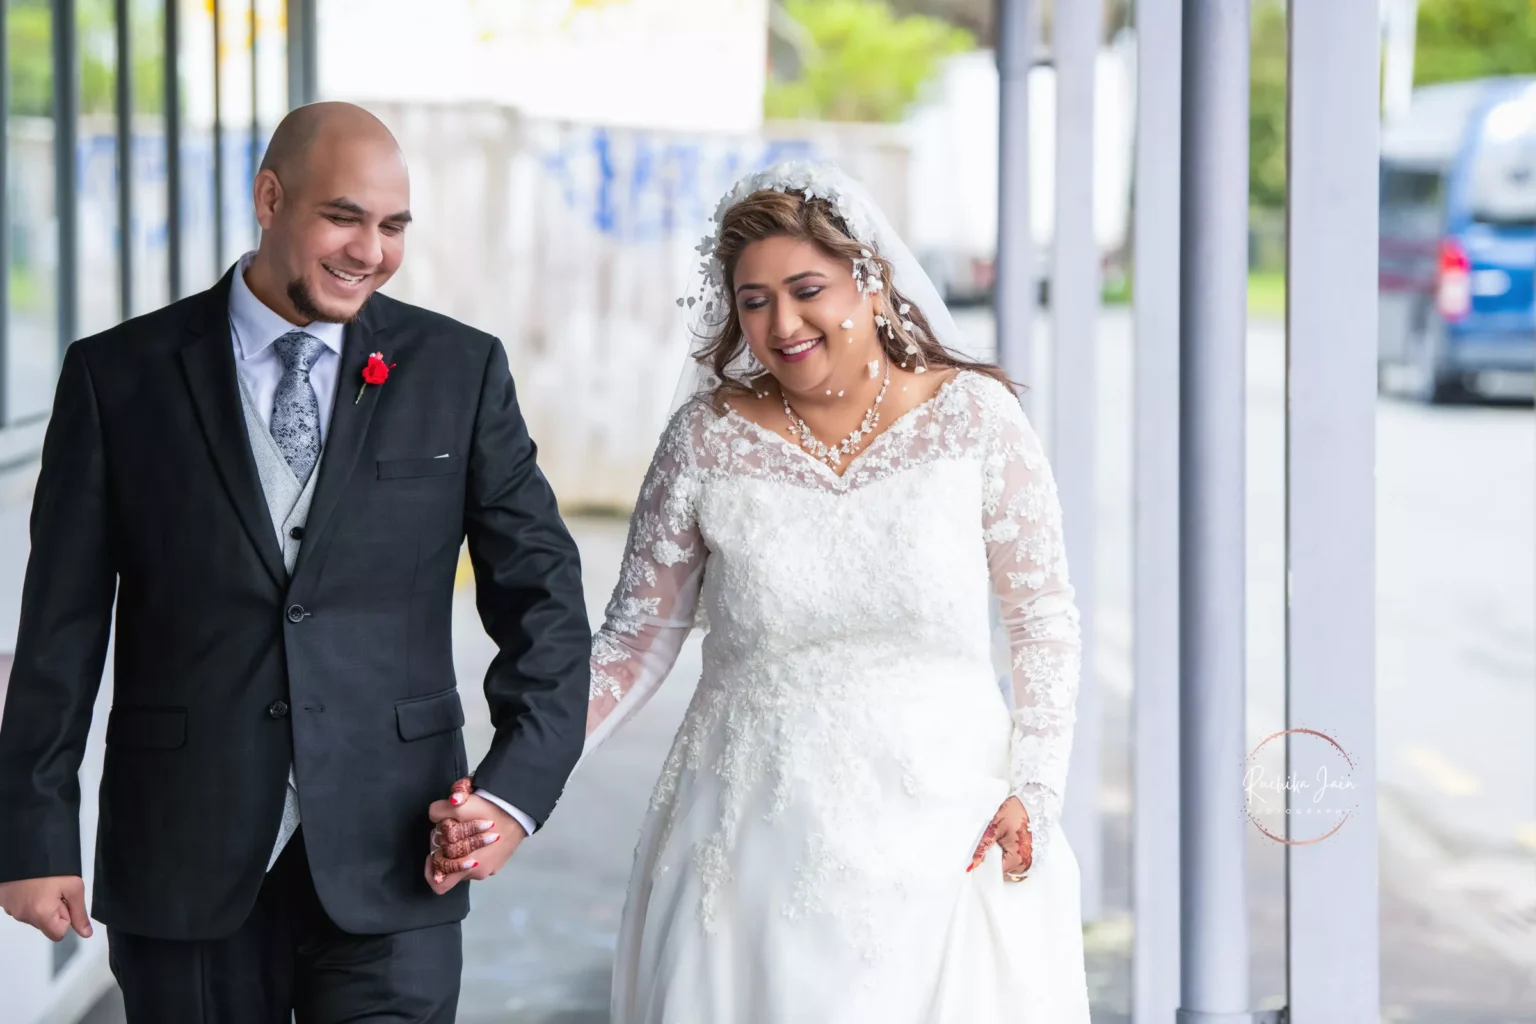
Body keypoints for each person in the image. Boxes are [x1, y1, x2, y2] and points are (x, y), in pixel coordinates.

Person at [431, 161, 1091, 1021]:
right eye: (753, 301)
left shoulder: (974, 418)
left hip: (949, 838)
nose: (782, 324)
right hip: (748, 843)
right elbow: (632, 645)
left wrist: (1034, 790)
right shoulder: (707, 438)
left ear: (871, 278)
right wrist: (509, 793)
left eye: (807, 288)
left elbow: (1043, 620)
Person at [0, 101, 591, 1023]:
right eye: (343, 217)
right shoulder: (119, 377)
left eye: (393, 226)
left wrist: (512, 794)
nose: (370, 250)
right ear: (269, 197)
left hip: (401, 856)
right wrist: (33, 833)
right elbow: (59, 630)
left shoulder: (457, 370)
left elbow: (544, 598)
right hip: (183, 854)